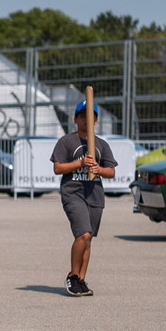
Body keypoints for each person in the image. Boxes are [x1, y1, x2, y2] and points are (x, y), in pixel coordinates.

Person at [50, 101, 117, 296]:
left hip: (94, 194)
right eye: (82, 116)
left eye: (90, 117)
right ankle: (72, 276)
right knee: (84, 234)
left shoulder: (101, 144)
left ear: (95, 121)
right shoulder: (66, 142)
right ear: (76, 119)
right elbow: (58, 168)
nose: (86, 120)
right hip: (73, 192)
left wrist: (99, 169)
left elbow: (111, 171)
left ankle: (81, 279)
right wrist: (79, 163)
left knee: (89, 240)